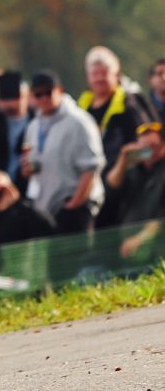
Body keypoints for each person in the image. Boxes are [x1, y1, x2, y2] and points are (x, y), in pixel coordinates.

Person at [77, 46, 155, 228]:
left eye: (104, 73)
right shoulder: (81, 109)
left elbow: (148, 148)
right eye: (95, 74)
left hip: (124, 190)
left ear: (116, 74)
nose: (99, 78)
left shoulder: (130, 106)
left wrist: (125, 162)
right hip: (88, 187)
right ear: (88, 77)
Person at [22, 70, 104, 235]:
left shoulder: (79, 121)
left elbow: (92, 167)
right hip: (45, 210)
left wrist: (74, 204)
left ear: (59, 90)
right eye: (38, 94)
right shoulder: (33, 126)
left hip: (73, 207)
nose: (44, 98)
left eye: (48, 92)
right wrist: (28, 169)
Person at [106, 121, 165, 258]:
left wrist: (141, 238)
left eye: (153, 146)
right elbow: (111, 189)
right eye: (144, 148)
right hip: (127, 248)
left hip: (155, 248)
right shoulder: (135, 170)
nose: (149, 152)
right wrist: (123, 160)